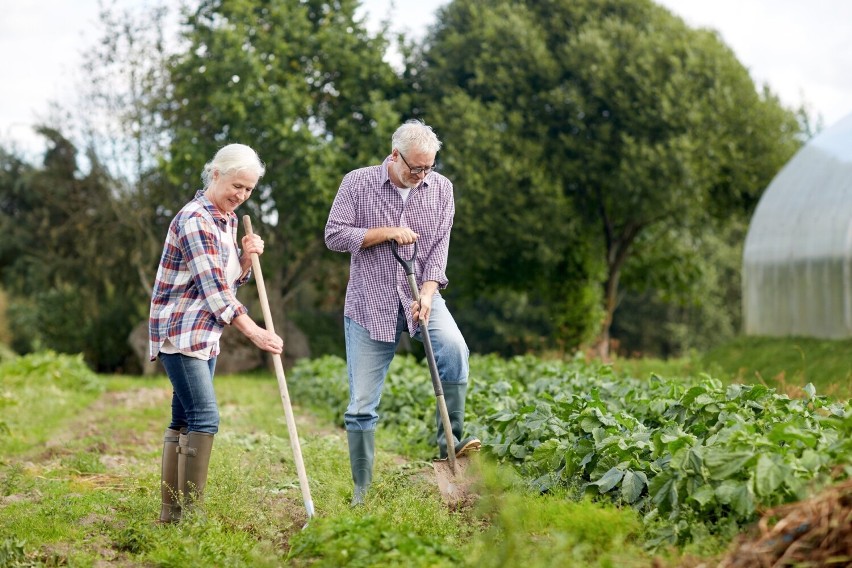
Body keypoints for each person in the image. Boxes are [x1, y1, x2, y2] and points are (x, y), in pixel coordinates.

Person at [325, 119, 480, 505]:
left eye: (428, 167)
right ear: (394, 156)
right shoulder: (357, 182)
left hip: (420, 296)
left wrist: (428, 294)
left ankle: (452, 445)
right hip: (369, 302)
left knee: (454, 349)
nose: (422, 175)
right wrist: (386, 232)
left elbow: (439, 251)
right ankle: (362, 491)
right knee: (362, 404)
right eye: (415, 168)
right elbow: (334, 234)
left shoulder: (441, 189)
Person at [148, 143, 284, 523]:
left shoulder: (226, 220)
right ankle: (190, 516)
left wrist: (243, 259)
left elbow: (226, 281)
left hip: (204, 335)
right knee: (205, 418)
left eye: (249, 190)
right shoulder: (196, 219)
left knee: (185, 421)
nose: (240, 196)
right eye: (236, 186)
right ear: (215, 175)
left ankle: (171, 516)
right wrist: (255, 332)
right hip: (182, 331)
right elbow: (212, 292)